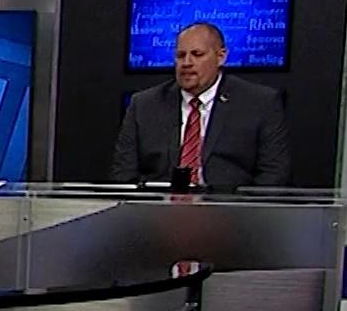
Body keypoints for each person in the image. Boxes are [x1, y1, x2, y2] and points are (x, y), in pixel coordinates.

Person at [110, 21, 290, 188]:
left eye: (197, 54)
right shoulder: (144, 105)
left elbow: (273, 175)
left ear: (221, 57)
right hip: (159, 208)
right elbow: (123, 175)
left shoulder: (259, 103)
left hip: (230, 207)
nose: (186, 63)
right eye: (180, 56)